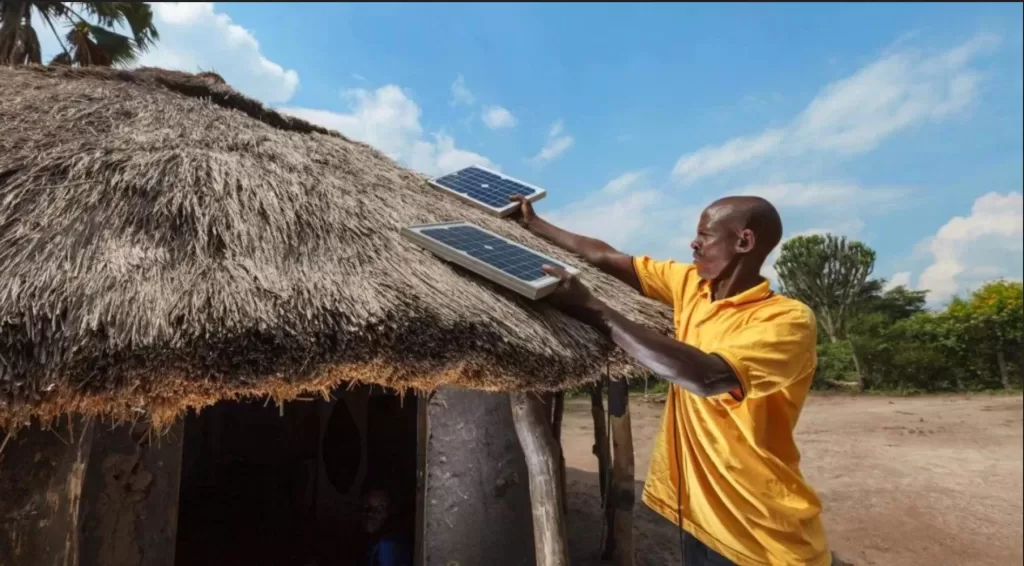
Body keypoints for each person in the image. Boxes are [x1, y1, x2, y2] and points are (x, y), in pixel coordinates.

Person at [510, 194, 831, 566]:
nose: (693, 244)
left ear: (743, 241)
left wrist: (595, 310)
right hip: (699, 519)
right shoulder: (691, 286)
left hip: (761, 538)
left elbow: (706, 376)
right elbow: (606, 256)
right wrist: (536, 224)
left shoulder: (785, 321)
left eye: (705, 235)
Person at [361, 489, 413, 566]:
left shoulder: (388, 546)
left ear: (390, 512)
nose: (371, 513)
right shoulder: (373, 541)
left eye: (380, 508)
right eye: (367, 506)